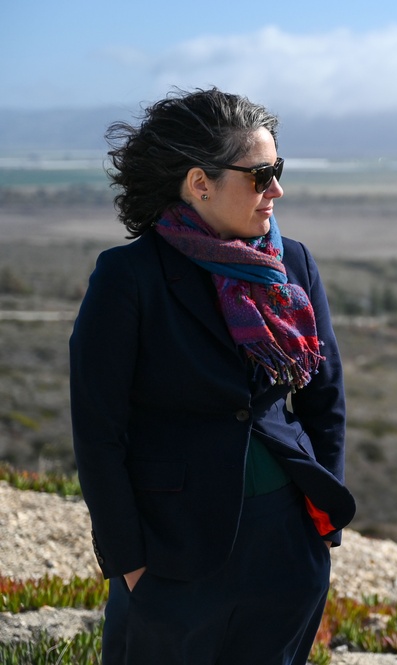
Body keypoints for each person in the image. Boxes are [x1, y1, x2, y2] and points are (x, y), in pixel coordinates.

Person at [70, 88, 356, 665]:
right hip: (172, 550)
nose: (277, 189)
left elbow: (325, 396)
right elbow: (98, 431)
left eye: (279, 170)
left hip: (286, 541)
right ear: (200, 184)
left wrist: (320, 530)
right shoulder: (129, 277)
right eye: (261, 175)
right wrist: (130, 563)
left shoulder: (292, 262)